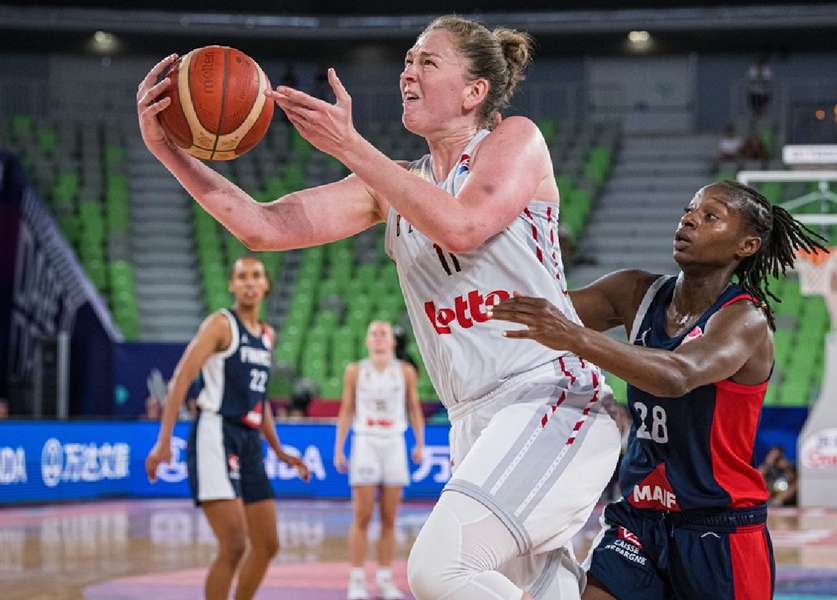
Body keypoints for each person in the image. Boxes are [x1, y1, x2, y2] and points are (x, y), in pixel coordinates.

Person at [136, 14, 621, 600]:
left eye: (427, 62)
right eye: (407, 60)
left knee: (439, 569)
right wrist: (167, 151)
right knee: (542, 591)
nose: (407, 72)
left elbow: (461, 225)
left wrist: (350, 145)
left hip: (550, 396)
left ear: (475, 92)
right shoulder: (388, 186)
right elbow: (262, 226)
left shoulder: (514, 139)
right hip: (474, 418)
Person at [490, 180, 827, 599]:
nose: (688, 219)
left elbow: (678, 375)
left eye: (710, 216)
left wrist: (575, 338)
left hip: (718, 527)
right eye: (689, 210)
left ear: (747, 245)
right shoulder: (635, 291)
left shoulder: (745, 320)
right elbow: (540, 313)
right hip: (639, 519)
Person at [144, 257, 310, 600]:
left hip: (249, 439)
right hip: (214, 433)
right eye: (242, 277)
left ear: (266, 285)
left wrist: (279, 450)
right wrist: (164, 443)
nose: (250, 282)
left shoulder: (267, 334)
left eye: (256, 276)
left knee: (267, 544)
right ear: (232, 286)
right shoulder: (220, 325)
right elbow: (180, 381)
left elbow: (259, 401)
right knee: (234, 544)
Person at [333, 320, 425, 600]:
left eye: (384, 333)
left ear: (393, 341)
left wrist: (419, 443)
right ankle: (357, 580)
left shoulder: (406, 372)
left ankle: (385, 579)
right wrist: (339, 447)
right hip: (366, 441)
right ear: (366, 341)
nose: (379, 338)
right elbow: (347, 409)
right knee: (361, 517)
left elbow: (414, 408)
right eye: (373, 333)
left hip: (394, 442)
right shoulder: (355, 371)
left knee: (389, 518)